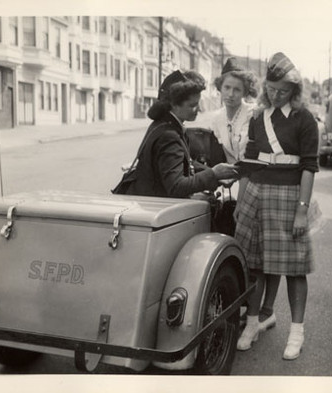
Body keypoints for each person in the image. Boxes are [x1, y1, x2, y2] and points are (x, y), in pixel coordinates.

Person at [234, 52, 319, 360]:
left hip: (288, 195)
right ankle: (253, 323)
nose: (275, 94)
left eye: (282, 90)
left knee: (295, 269)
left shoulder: (305, 119)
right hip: (256, 193)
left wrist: (301, 210)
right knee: (254, 265)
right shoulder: (258, 117)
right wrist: (241, 201)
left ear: (294, 91)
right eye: (271, 88)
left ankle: (297, 330)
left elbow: (309, 167)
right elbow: (248, 163)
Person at [211, 58, 279, 330]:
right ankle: (249, 307)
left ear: (245, 92)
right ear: (220, 88)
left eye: (236, 90)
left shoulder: (253, 114)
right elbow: (224, 155)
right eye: (226, 88)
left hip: (262, 182)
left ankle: (267, 310)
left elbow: (260, 157)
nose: (230, 94)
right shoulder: (216, 118)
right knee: (245, 250)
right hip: (238, 184)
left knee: (267, 252)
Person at [124, 70, 238, 198]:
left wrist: (213, 172)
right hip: (160, 208)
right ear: (174, 104)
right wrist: (213, 174)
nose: (199, 109)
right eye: (193, 105)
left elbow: (184, 161)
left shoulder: (164, 124)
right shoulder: (169, 136)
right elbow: (176, 186)